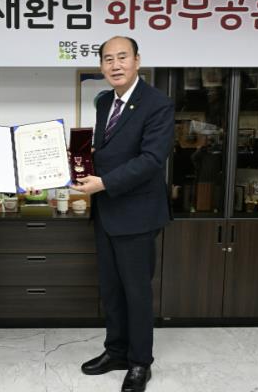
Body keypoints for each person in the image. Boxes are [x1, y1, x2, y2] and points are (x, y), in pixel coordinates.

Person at [72, 36, 174, 392]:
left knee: (136, 291)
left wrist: (102, 183)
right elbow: (107, 151)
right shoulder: (105, 101)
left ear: (137, 61)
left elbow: (151, 160)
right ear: (101, 65)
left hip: (137, 214)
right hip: (107, 211)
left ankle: (140, 362)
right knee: (112, 289)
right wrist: (78, 165)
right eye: (108, 59)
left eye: (122, 57)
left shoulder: (157, 104)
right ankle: (115, 351)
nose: (115, 65)